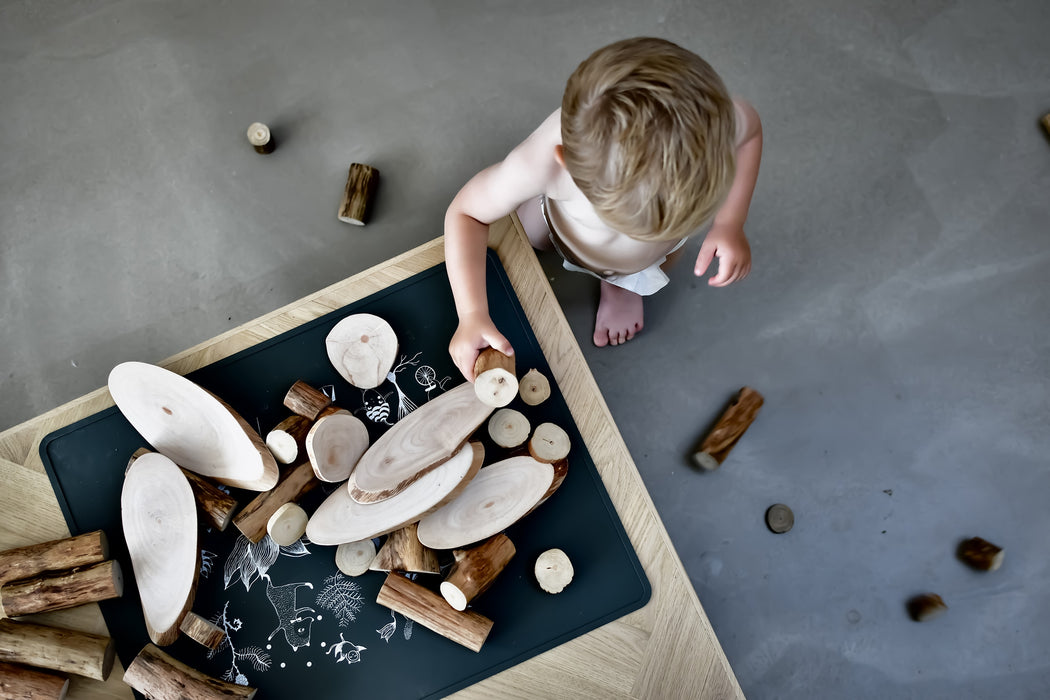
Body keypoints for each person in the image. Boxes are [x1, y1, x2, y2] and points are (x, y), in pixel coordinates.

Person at [444, 37, 762, 381]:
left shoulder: (714, 124)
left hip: (641, 262)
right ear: (567, 164)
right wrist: (472, 313)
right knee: (530, 232)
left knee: (650, 263)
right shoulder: (539, 164)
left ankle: (621, 287)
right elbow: (467, 212)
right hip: (560, 226)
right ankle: (591, 259)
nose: (643, 232)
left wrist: (730, 222)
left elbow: (751, 132)